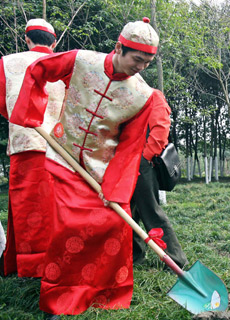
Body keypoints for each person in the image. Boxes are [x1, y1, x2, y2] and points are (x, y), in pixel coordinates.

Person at [10, 18, 170, 318]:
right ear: (119, 47)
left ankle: (101, 291)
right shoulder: (81, 60)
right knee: (67, 227)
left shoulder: (143, 96)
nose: (142, 67)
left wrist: (115, 190)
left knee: (112, 224)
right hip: (63, 157)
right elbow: (39, 70)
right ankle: (58, 295)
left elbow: (129, 147)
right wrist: (30, 112)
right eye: (138, 59)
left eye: (148, 62)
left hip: (101, 171)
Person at [0, 19, 65, 278]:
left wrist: (19, 120)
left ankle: (40, 270)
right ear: (55, 42)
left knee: (28, 206)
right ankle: (19, 262)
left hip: (26, 144)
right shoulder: (66, 65)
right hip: (59, 148)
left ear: (26, 39)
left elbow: (3, 104)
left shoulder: (7, 63)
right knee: (51, 208)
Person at [131, 149, 188, 268]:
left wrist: (147, 155)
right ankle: (136, 256)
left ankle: (176, 260)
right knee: (130, 211)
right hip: (126, 159)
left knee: (151, 211)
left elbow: (160, 130)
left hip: (141, 160)